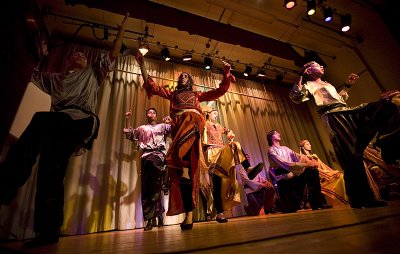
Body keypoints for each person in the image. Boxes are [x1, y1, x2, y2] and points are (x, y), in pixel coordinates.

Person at [0, 13, 130, 247]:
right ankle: (48, 233)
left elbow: (113, 53)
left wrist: (121, 31)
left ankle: (5, 185)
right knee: (51, 173)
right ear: (68, 61)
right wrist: (37, 49)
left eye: (82, 55)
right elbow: (32, 73)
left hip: (80, 120)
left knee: (41, 120)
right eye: (75, 54)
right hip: (58, 126)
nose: (79, 56)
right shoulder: (55, 79)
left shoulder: (92, 74)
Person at [135, 53, 235, 230]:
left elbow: (219, 91)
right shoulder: (173, 95)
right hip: (178, 132)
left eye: (186, 76)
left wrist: (226, 72)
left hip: (192, 129)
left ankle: (189, 214)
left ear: (190, 81)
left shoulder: (197, 95)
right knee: (183, 173)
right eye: (180, 76)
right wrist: (142, 63)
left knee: (190, 121)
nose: (182, 77)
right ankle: (188, 214)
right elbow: (152, 86)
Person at [290, 61, 400, 208]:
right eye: (317, 65)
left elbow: (339, 101)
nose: (322, 66)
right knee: (352, 156)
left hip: (346, 111)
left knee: (386, 105)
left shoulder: (328, 84)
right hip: (333, 116)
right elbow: (296, 96)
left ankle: (386, 142)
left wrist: (347, 85)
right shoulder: (308, 85)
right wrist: (300, 75)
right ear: (309, 71)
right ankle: (361, 198)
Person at [201, 108, 264, 222]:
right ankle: (219, 213)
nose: (216, 115)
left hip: (221, 152)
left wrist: (230, 133)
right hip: (211, 154)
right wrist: (206, 109)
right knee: (217, 183)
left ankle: (248, 168)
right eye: (214, 113)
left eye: (217, 114)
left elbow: (228, 130)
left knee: (235, 144)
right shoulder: (204, 123)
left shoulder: (219, 126)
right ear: (208, 114)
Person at [123, 108, 171, 231]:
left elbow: (174, 130)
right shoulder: (142, 128)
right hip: (145, 156)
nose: (152, 114)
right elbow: (130, 134)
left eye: (154, 112)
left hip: (158, 155)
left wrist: (170, 122)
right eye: (149, 112)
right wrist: (128, 120)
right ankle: (154, 216)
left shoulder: (162, 126)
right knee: (148, 188)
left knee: (152, 167)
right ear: (146, 116)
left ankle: (165, 177)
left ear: (156, 115)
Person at [267, 130, 332, 213]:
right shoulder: (271, 151)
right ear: (271, 137)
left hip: (294, 173)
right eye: (276, 133)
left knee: (313, 172)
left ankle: (317, 203)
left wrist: (308, 159)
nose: (279, 134)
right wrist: (306, 165)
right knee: (290, 209)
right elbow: (285, 164)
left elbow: (297, 157)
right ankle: (290, 204)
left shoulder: (285, 148)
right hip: (284, 179)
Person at [299, 140, 348, 205]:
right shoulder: (303, 157)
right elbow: (302, 169)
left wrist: (331, 172)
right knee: (338, 179)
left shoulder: (314, 155)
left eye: (310, 144)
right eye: (307, 144)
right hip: (314, 176)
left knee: (340, 176)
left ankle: (344, 198)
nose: (310, 145)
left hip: (322, 174)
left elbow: (322, 166)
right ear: (303, 147)